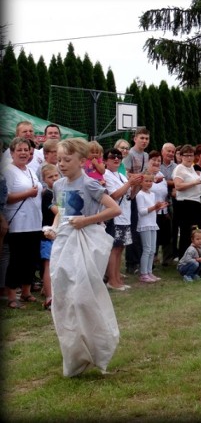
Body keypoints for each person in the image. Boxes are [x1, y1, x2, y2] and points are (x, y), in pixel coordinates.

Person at [46, 137, 122, 377]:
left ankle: (99, 345)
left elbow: (114, 209)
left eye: (67, 160)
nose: (61, 164)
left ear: (82, 161)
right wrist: (53, 228)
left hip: (87, 242)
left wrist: (86, 221)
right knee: (63, 298)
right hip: (64, 242)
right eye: (59, 160)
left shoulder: (89, 184)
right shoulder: (58, 185)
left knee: (82, 297)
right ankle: (74, 356)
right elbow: (62, 213)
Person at [4, 137, 43, 309]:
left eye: (26, 150)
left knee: (31, 259)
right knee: (17, 260)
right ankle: (12, 296)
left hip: (35, 223)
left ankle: (26, 292)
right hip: (18, 224)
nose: (23, 153)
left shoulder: (31, 171)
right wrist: (27, 193)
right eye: (19, 150)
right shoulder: (8, 171)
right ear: (12, 152)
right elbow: (6, 198)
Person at [103, 148, 144, 288]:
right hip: (114, 217)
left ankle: (117, 278)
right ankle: (111, 280)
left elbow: (130, 196)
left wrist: (138, 185)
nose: (116, 159)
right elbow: (113, 195)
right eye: (112, 157)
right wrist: (130, 183)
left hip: (124, 215)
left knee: (120, 248)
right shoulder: (106, 175)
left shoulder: (121, 175)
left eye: (118, 157)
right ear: (105, 161)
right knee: (114, 249)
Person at [123, 128, 150, 275]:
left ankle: (141, 259)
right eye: (142, 138)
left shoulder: (146, 155)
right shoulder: (129, 154)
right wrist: (141, 176)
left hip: (141, 195)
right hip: (130, 196)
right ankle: (131, 263)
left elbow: (145, 174)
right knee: (132, 229)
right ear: (135, 139)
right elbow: (125, 173)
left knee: (141, 228)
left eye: (146, 138)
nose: (144, 141)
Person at [136, 172, 169, 281]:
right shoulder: (140, 195)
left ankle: (149, 272)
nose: (149, 183)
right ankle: (143, 273)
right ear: (141, 182)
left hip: (152, 224)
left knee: (152, 250)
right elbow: (142, 211)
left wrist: (159, 207)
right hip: (144, 224)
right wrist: (154, 207)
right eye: (146, 181)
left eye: (151, 181)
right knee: (147, 249)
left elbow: (152, 210)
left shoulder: (152, 194)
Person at [173, 144, 201, 260]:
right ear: (181, 156)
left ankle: (193, 256)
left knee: (193, 231)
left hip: (195, 202)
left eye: (191, 155)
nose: (189, 158)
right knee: (185, 232)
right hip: (185, 203)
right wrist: (194, 182)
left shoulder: (192, 168)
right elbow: (178, 186)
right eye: (186, 155)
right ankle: (183, 258)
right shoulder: (179, 168)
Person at [40, 164, 60, 310]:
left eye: (55, 176)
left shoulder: (59, 191)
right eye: (50, 177)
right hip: (48, 233)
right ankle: (49, 297)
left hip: (58, 233)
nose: (54, 179)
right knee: (48, 264)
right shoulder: (47, 194)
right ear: (44, 179)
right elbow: (58, 211)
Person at [159, 143, 178, 265]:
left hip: (171, 201)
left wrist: (163, 181)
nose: (171, 154)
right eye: (168, 151)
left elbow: (178, 182)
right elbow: (151, 179)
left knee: (170, 230)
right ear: (162, 151)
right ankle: (154, 257)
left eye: (173, 152)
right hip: (156, 201)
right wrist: (171, 183)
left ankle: (167, 258)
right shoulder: (156, 163)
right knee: (156, 229)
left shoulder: (176, 166)